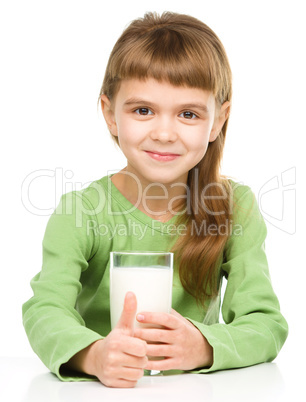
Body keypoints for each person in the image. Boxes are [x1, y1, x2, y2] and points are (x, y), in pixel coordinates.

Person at [22, 11, 288, 388]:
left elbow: (266, 323)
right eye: (143, 110)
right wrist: (93, 354)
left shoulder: (234, 207)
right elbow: (45, 310)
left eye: (188, 114)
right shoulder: (81, 212)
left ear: (217, 121)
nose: (164, 133)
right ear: (110, 114)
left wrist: (204, 347)